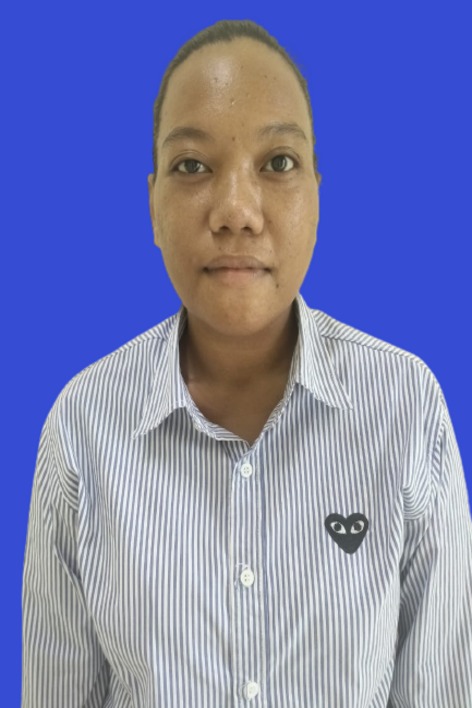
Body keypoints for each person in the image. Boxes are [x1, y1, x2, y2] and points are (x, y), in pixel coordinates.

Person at [22, 19, 472, 707]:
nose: (236, 211)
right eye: (192, 166)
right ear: (152, 204)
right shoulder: (83, 427)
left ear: (317, 195)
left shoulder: (405, 409)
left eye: (278, 163)